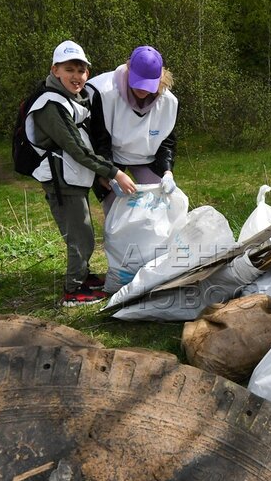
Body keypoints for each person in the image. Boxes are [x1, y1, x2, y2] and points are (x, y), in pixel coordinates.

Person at [26, 40, 136, 306]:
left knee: (83, 232)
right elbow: (77, 149)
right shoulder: (50, 104)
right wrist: (114, 173)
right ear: (55, 70)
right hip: (61, 182)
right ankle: (73, 290)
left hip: (73, 178)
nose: (77, 76)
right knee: (80, 237)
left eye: (81, 70)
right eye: (69, 70)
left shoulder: (72, 97)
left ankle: (83, 276)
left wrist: (100, 173)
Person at [88, 45, 179, 210]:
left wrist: (167, 172)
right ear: (128, 69)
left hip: (146, 157)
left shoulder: (169, 102)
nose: (143, 89)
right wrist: (107, 174)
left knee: (162, 201)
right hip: (111, 156)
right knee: (116, 207)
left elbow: (166, 141)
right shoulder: (103, 93)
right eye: (139, 82)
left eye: (148, 84)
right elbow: (98, 140)